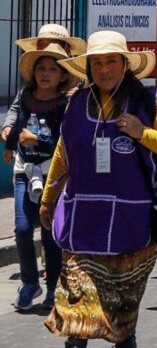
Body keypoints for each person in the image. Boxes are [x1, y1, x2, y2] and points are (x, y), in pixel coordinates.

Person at [39, 31, 157, 348]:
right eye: (97, 63)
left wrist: (142, 132)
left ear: (125, 64)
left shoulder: (149, 102)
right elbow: (63, 154)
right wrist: (48, 199)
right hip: (82, 227)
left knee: (123, 324)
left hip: (132, 230)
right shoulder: (76, 104)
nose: (104, 69)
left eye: (111, 61)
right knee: (77, 317)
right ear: (89, 67)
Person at [5, 44, 76, 311]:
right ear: (33, 72)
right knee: (23, 229)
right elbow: (14, 118)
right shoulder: (24, 96)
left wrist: (37, 138)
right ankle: (29, 282)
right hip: (25, 171)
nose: (46, 74)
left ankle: (53, 288)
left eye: (53, 70)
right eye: (41, 68)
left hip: (53, 176)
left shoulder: (66, 102)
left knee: (49, 235)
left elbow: (66, 140)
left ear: (62, 75)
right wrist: (9, 137)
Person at [2, 24, 86, 144]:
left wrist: (81, 96)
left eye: (53, 44)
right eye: (41, 45)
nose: (47, 49)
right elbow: (16, 108)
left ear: (66, 49)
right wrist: (8, 127)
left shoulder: (82, 86)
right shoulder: (29, 85)